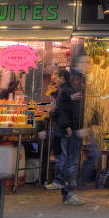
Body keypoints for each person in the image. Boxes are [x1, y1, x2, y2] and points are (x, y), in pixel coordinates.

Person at [48, 69, 84, 205]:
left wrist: (63, 123)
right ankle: (66, 191)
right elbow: (63, 110)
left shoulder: (66, 91)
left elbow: (62, 110)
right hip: (67, 130)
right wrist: (66, 125)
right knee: (69, 162)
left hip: (66, 129)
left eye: (56, 78)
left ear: (62, 78)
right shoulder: (67, 91)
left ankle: (64, 187)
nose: (55, 80)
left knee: (67, 161)